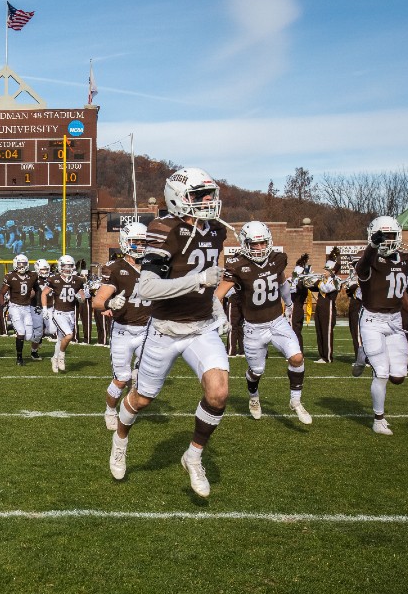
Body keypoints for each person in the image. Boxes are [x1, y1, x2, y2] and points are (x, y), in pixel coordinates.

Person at [110, 167, 229, 498]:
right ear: (178, 198)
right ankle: (120, 439)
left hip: (201, 327)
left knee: (218, 393)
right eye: (199, 196)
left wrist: (217, 308)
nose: (208, 201)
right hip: (165, 329)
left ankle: (193, 455)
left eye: (210, 194)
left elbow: (213, 278)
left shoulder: (216, 230)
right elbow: (148, 287)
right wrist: (197, 281)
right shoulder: (164, 229)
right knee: (142, 399)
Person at [215, 221, 310, 423]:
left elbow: (282, 282)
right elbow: (218, 295)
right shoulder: (237, 264)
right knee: (256, 371)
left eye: (263, 243)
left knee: (297, 357)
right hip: (253, 327)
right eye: (254, 244)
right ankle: (253, 396)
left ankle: (295, 401)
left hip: (277, 321)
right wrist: (219, 317)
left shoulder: (277, 259)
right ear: (244, 244)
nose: (259, 248)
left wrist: (289, 303)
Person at [354, 216, 408, 435]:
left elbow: (400, 292)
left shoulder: (406, 259)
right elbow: (362, 267)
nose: (387, 240)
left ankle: (363, 354)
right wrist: (372, 246)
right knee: (381, 373)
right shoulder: (368, 261)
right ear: (373, 237)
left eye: (391, 235)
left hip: (394, 321)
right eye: (382, 236)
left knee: (398, 377)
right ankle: (378, 419)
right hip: (372, 320)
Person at [92, 223, 151, 430]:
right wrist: (109, 303)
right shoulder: (115, 268)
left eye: (143, 241)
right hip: (123, 331)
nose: (140, 246)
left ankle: (129, 408)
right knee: (121, 379)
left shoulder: (154, 266)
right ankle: (110, 410)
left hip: (147, 330)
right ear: (125, 242)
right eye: (136, 241)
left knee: (141, 376)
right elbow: (97, 301)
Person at [42, 255, 87, 373]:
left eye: (70, 266)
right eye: (65, 266)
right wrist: (45, 308)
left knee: (61, 339)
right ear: (60, 267)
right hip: (59, 313)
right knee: (69, 335)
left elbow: (83, 297)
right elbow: (44, 294)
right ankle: (61, 356)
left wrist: (81, 298)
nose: (67, 269)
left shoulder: (78, 280)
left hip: (70, 314)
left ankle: (54, 358)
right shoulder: (54, 279)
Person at [0, 254, 38, 366]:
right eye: (19, 264)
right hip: (15, 306)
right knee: (21, 332)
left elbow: (37, 290)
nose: (22, 266)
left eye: (24, 264)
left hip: (26, 307)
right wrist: (2, 305)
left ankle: (13, 326)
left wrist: (37, 300)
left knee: (29, 336)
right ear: (15, 264)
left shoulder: (32, 275)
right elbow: (2, 293)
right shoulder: (10, 276)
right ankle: (19, 358)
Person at [312, 250, 341, 364]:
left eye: (327, 270)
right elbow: (314, 287)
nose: (324, 271)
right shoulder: (323, 280)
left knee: (326, 332)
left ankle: (328, 357)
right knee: (319, 331)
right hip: (320, 307)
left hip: (328, 308)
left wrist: (317, 282)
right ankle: (322, 355)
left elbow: (326, 289)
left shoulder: (336, 280)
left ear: (332, 271)